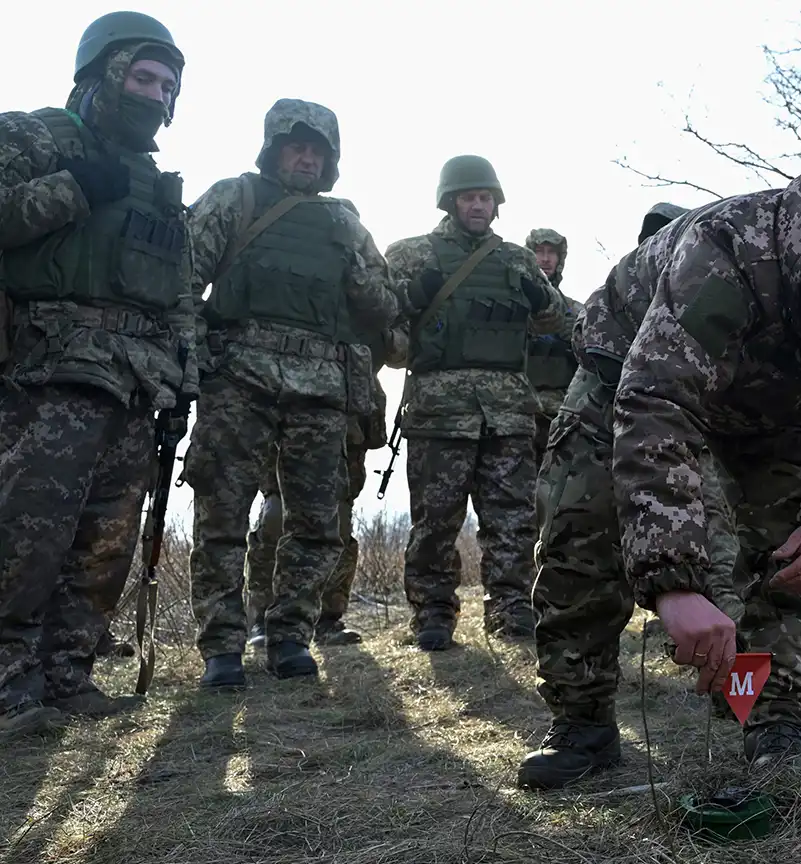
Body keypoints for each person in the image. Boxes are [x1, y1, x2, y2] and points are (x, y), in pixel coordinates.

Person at [517, 155, 801, 788]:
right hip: (627, 373)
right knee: (582, 536)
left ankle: (776, 720)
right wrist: (676, 585)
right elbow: (656, 405)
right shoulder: (727, 254)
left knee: (784, 558)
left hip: (773, 406)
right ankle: (582, 722)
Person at [0, 11, 194, 733]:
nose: (156, 96)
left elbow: (179, 289)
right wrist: (71, 187)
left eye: (168, 87)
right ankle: (8, 684)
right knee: (26, 531)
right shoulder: (32, 136)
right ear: (102, 73)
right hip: (45, 373)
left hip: (136, 382)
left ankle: (67, 674)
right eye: (143, 78)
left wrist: (185, 375)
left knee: (107, 541)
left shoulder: (156, 183)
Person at [184, 99, 399, 688]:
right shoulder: (234, 198)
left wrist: (356, 268)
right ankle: (222, 646)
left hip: (320, 390)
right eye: (295, 148)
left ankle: (290, 634)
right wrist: (193, 359)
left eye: (317, 152)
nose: (306, 159)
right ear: (274, 150)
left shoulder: (343, 223)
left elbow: (381, 305)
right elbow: (183, 279)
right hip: (238, 381)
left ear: (330, 161)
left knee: (317, 521)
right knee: (222, 515)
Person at [385, 155, 565, 648]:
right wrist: (410, 297)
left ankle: (511, 608)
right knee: (435, 520)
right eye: (469, 197)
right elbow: (383, 329)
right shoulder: (412, 255)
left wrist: (540, 298)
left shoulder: (518, 260)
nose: (478, 205)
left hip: (508, 414)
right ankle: (433, 613)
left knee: (512, 519)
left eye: (486, 198)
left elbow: (552, 320)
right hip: (439, 413)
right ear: (450, 201)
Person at [243, 325, 407, 649]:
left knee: (338, 518)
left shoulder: (372, 291)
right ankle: (262, 616)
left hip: (348, 401)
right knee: (276, 512)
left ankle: (327, 618)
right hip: (284, 391)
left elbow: (398, 345)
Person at [524, 228, 580, 464]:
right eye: (539, 251)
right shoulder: (514, 305)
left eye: (551, 253)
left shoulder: (575, 311)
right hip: (520, 412)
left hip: (561, 415)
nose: (545, 259)